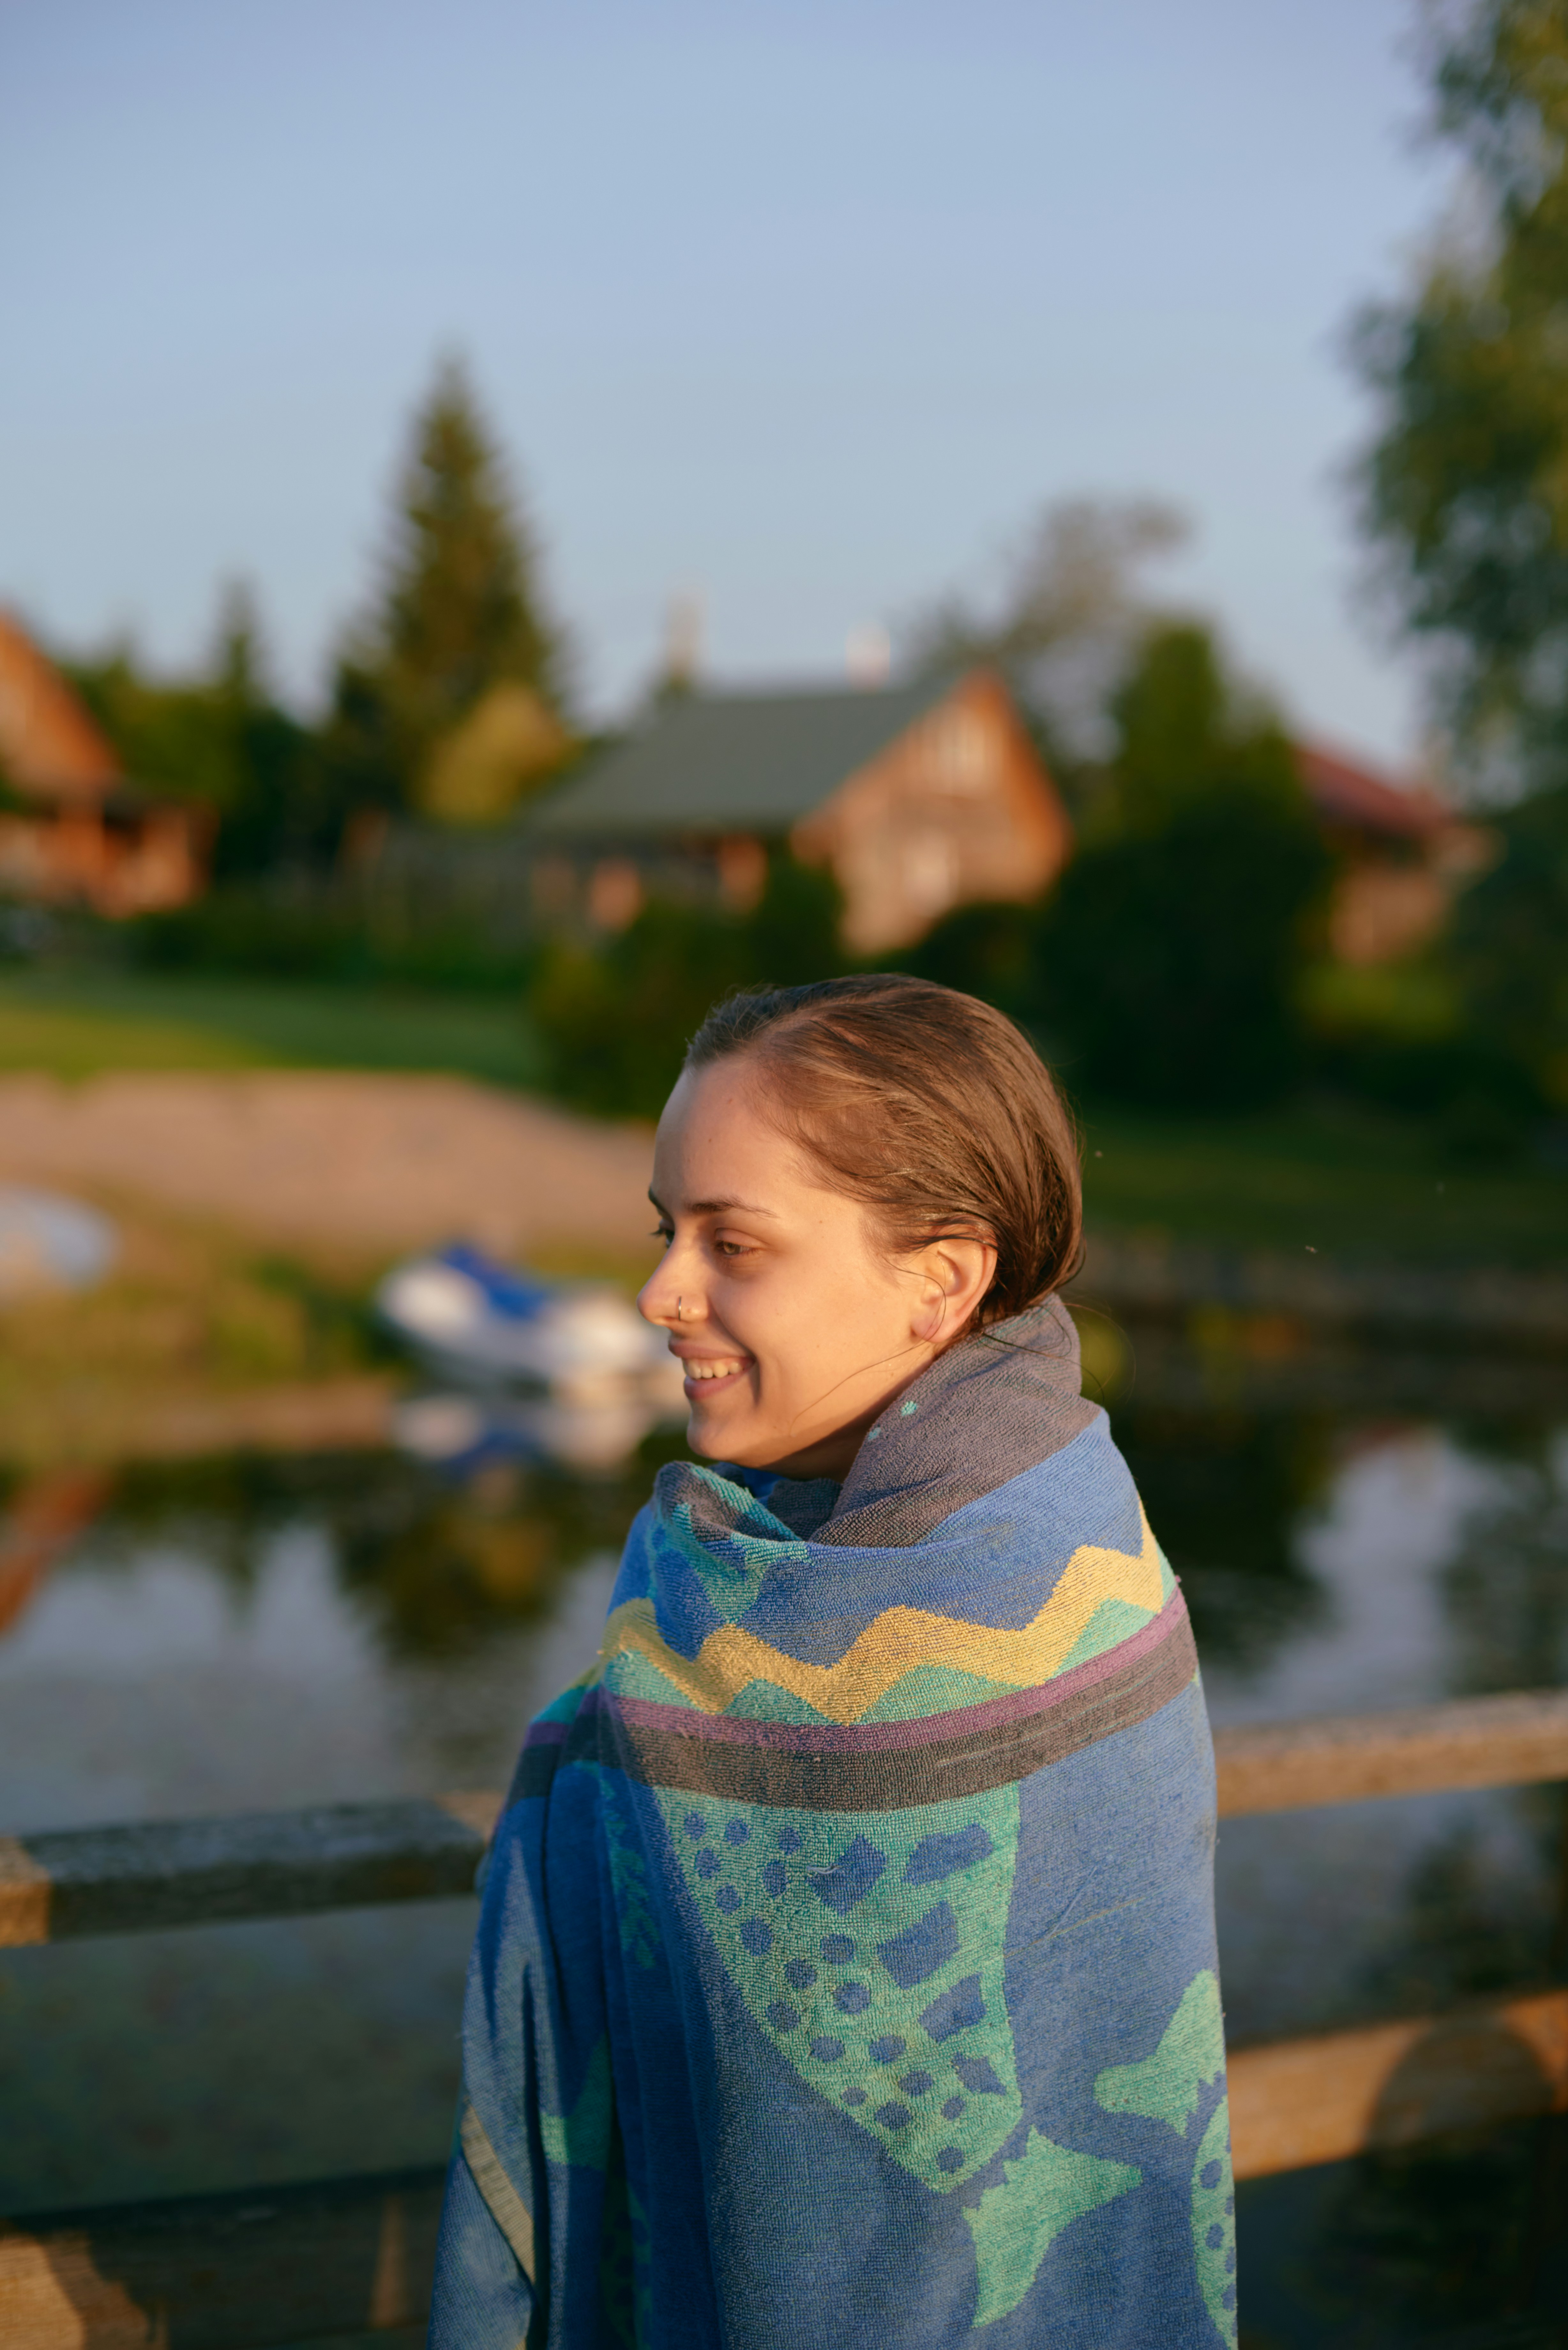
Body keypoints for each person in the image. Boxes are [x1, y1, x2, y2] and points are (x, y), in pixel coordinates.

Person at [427, 974, 1234, 2350]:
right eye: (666, 1228)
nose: (659, 1290)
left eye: (733, 1244)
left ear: (941, 1279)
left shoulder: (1062, 1587)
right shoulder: (1089, 1527)